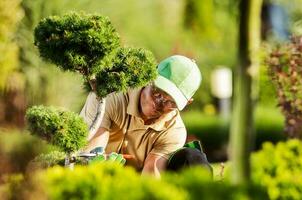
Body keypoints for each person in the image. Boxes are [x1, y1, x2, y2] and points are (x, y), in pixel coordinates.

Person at [80, 55, 211, 177]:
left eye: (170, 102)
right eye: (158, 92)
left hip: (134, 184)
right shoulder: (109, 98)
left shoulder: (174, 131)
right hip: (98, 176)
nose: (158, 104)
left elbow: (151, 173)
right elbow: (91, 154)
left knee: (193, 158)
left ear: (187, 103)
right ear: (150, 77)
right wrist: (100, 165)